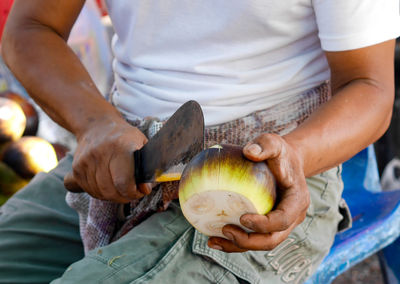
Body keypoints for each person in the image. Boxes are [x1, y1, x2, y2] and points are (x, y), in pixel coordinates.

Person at [0, 0, 399, 283]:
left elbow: (370, 87)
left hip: (274, 170)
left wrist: (294, 156)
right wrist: (96, 124)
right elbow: (32, 26)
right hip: (125, 150)